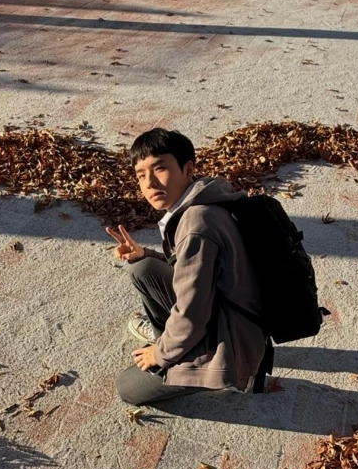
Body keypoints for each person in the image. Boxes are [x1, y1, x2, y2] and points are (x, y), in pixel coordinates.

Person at [107, 128, 268, 406]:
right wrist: (145, 254)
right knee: (143, 267)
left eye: (160, 169)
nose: (150, 183)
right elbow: (190, 274)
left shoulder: (196, 225)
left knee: (128, 388)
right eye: (141, 175)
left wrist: (158, 354)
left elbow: (192, 317)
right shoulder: (204, 199)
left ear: (188, 168)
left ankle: (234, 373)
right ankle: (172, 344)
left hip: (230, 342)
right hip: (235, 314)